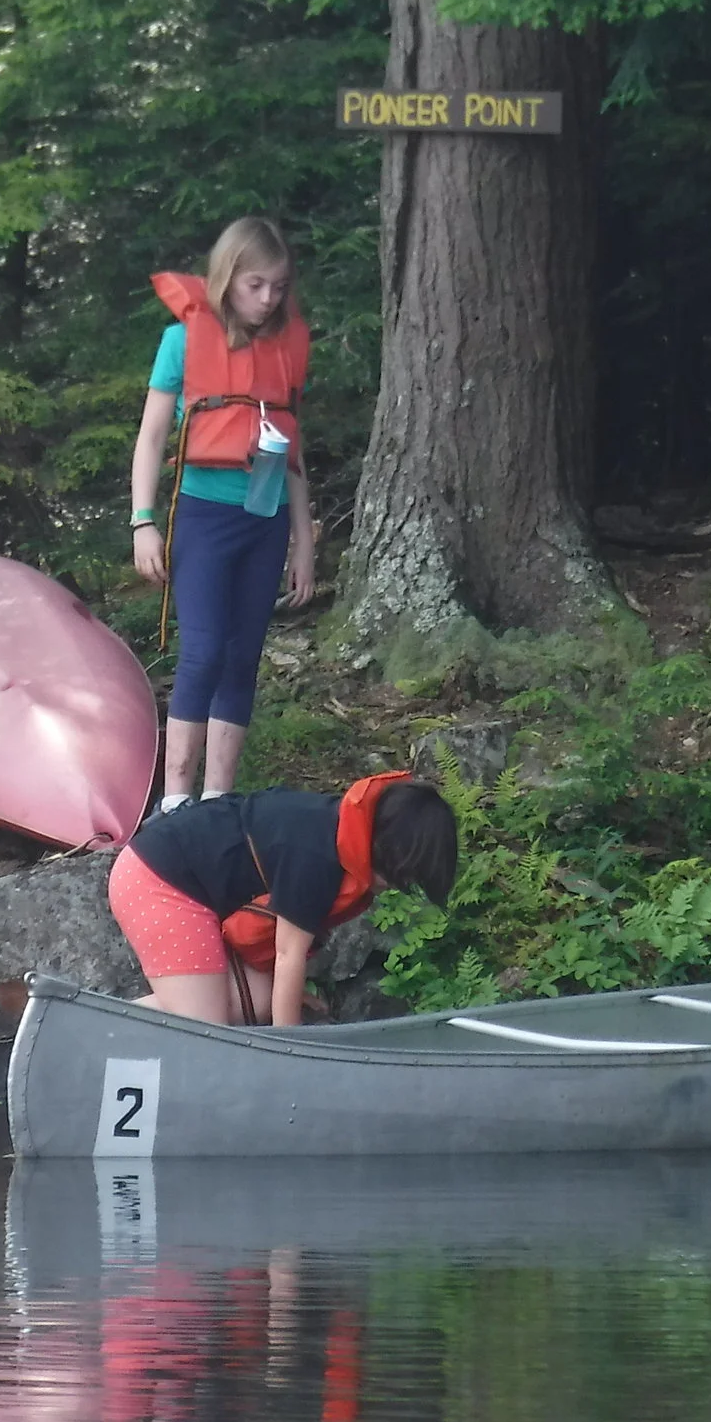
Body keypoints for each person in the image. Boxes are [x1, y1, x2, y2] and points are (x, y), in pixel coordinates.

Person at [128, 218, 316, 815]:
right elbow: (151, 437)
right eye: (255, 285)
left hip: (267, 519)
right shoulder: (182, 340)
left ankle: (218, 800)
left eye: (278, 287)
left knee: (242, 657)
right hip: (204, 516)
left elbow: (293, 452)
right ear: (227, 278)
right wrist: (142, 520)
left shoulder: (287, 346)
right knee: (204, 651)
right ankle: (176, 802)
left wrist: (304, 540)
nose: (268, 299)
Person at [107, 773, 458, 1026]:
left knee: (258, 1003)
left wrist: (286, 999)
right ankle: (93, 1026)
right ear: (387, 852)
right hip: (158, 880)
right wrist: (290, 1051)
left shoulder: (342, 830)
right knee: (205, 1029)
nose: (397, 887)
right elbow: (289, 955)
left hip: (196, 889)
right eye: (401, 877)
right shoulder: (318, 858)